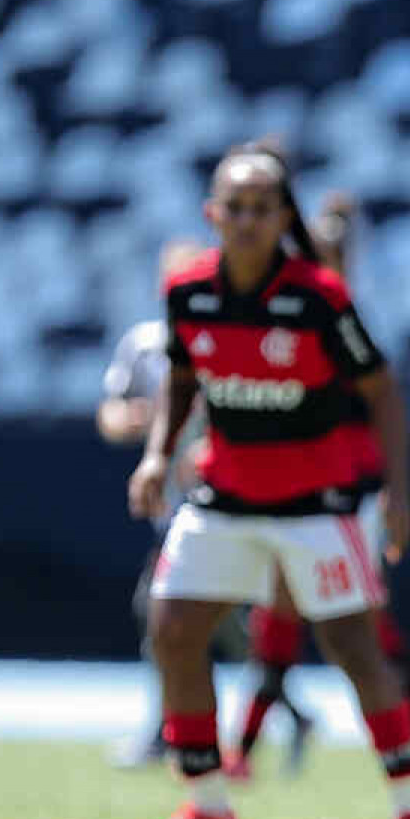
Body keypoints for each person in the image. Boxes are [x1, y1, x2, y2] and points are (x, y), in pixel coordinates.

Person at [126, 139, 410, 819]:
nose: (246, 220)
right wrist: (155, 455)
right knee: (173, 630)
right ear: (212, 213)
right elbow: (180, 377)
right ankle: (207, 809)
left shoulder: (317, 296)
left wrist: (396, 491)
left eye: (261, 208)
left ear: (279, 215)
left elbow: (381, 388)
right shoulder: (188, 291)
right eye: (233, 207)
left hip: (315, 505)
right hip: (223, 495)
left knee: (355, 648)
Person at [223, 193, 410, 784]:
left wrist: (388, 492)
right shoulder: (295, 313)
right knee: (285, 617)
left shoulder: (338, 322)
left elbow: (377, 408)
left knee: (355, 625)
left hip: (346, 493)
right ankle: (244, 751)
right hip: (305, 491)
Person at [98, 239, 279, 768]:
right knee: (200, 620)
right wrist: (133, 422)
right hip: (175, 505)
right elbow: (109, 412)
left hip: (222, 497)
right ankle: (271, 709)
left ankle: (185, 729)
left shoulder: (224, 336)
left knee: (176, 614)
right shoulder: (146, 343)